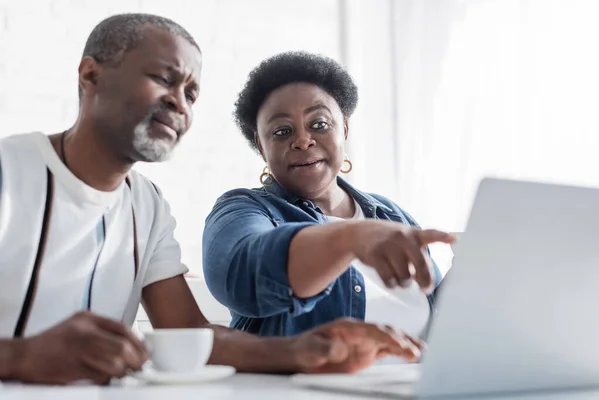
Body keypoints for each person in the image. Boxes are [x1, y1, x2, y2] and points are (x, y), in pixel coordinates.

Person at [0, 15, 422, 385]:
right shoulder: (9, 171)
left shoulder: (147, 206)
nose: (178, 102)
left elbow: (189, 333)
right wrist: (22, 356)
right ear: (91, 75)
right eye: (164, 79)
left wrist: (306, 351)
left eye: (191, 93)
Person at [202, 51, 455, 340]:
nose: (302, 140)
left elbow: (435, 317)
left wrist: (472, 268)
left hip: (413, 383)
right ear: (261, 145)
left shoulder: (391, 213)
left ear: (344, 128)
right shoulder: (244, 209)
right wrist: (350, 238)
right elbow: (241, 277)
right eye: (282, 131)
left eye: (319, 124)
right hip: (303, 387)